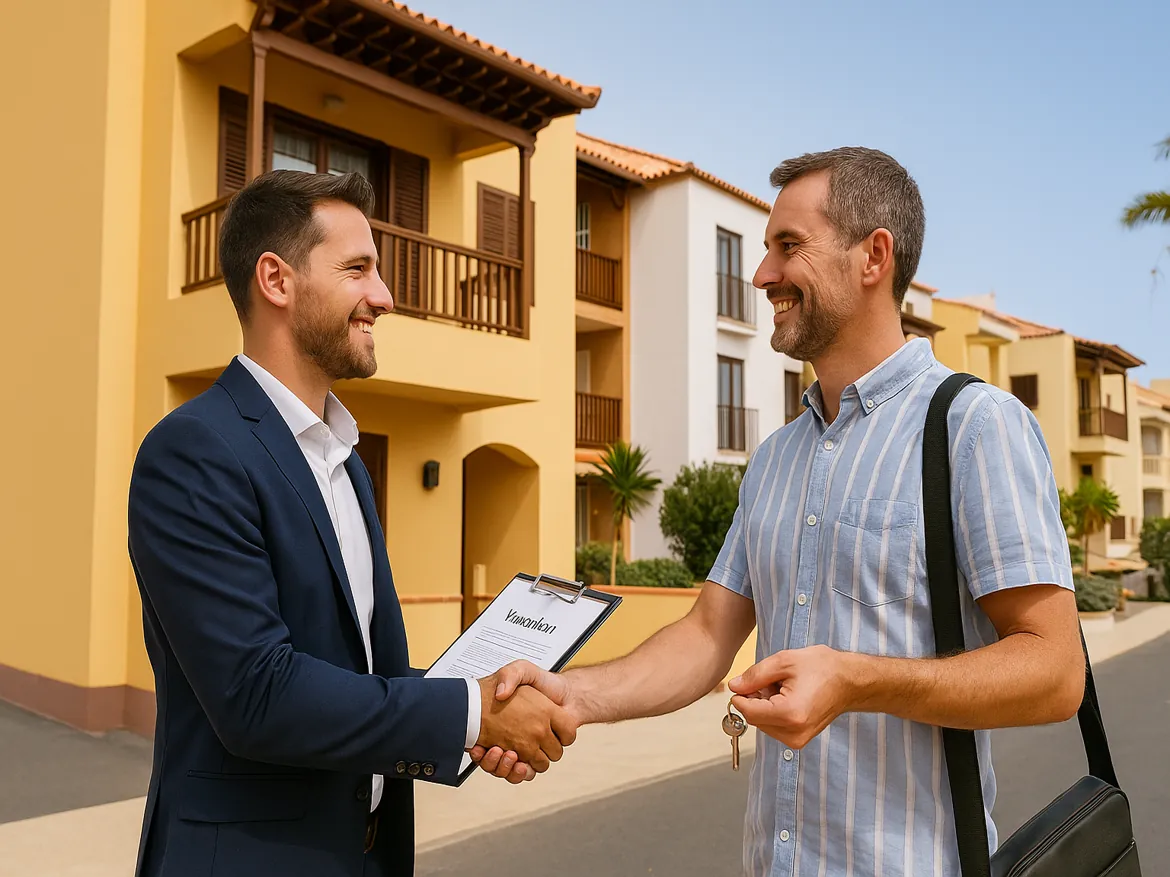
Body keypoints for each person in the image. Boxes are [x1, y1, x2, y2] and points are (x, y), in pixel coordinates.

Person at [474, 147, 1085, 876]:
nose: (763, 275)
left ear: (873, 256)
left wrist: (858, 680)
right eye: (765, 250)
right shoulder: (775, 458)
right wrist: (571, 692)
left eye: (787, 247)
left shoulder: (975, 426)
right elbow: (707, 635)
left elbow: (1055, 671)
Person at [127, 169, 576, 877]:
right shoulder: (194, 451)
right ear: (276, 280)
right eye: (358, 269)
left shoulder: (346, 464)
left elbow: (365, 676)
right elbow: (257, 692)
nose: (384, 296)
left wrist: (481, 713)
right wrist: (469, 712)